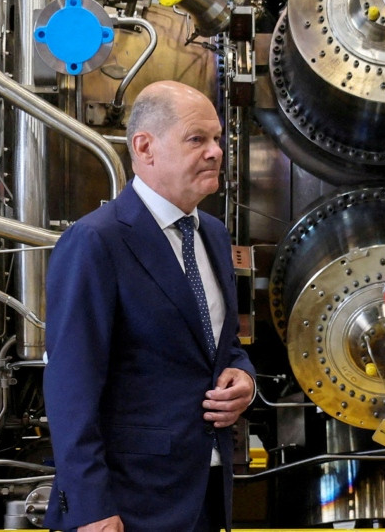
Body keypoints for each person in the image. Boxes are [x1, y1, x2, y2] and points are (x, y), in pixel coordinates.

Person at [43, 80, 256, 532]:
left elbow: (222, 345)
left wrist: (244, 379)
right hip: (127, 505)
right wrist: (89, 507)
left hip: (204, 492)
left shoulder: (213, 235)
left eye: (217, 139)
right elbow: (70, 386)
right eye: (197, 139)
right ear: (145, 147)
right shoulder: (97, 240)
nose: (216, 151)